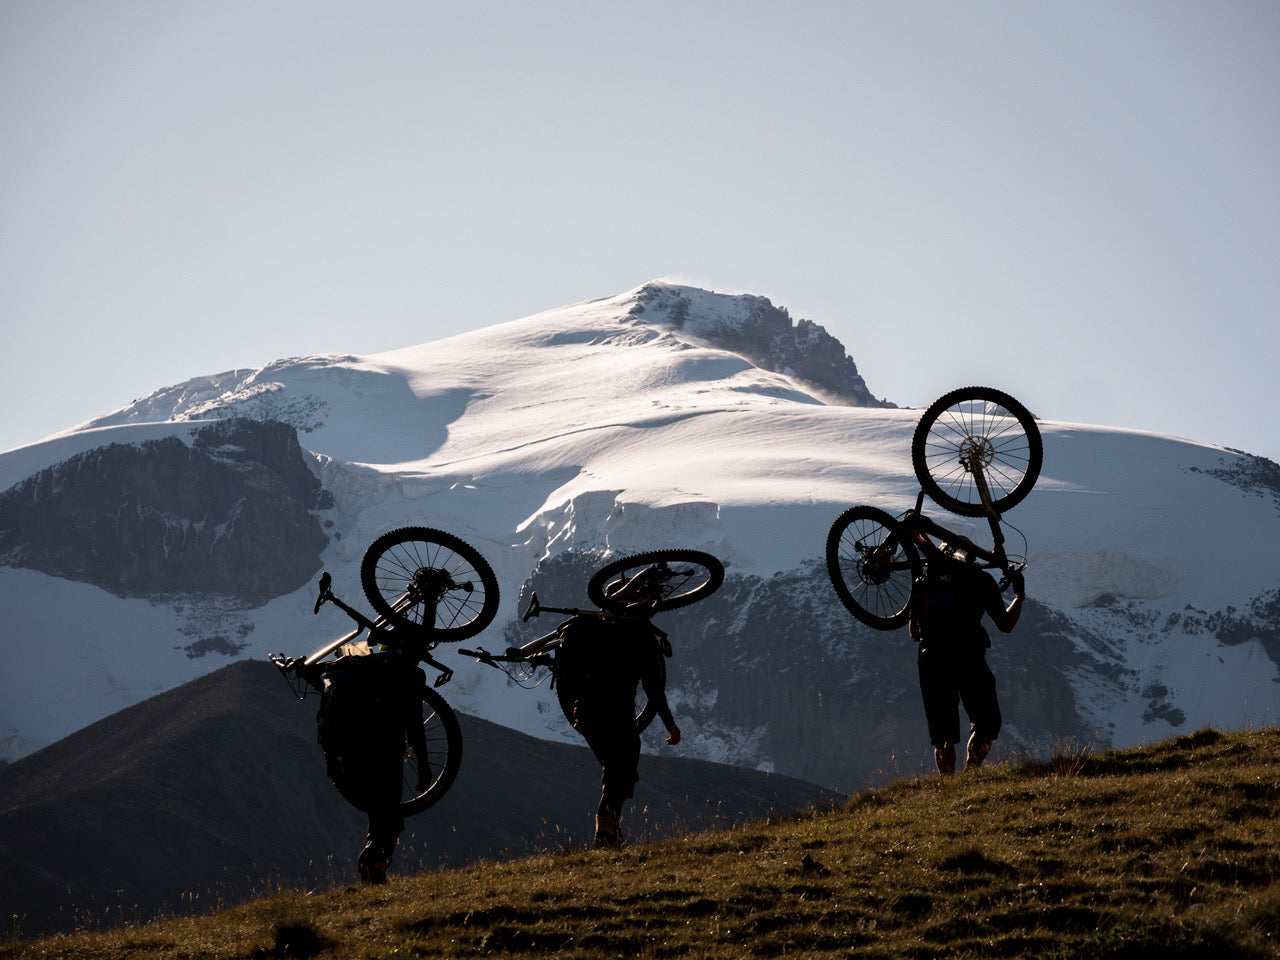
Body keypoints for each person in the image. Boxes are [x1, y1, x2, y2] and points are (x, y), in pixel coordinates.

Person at [552, 606, 681, 848]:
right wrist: (670, 724)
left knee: (614, 770)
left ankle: (611, 834)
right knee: (620, 772)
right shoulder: (642, 639)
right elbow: (654, 691)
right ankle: (605, 837)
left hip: (587, 715)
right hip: (618, 715)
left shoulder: (595, 629)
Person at [317, 648, 429, 883]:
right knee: (388, 819)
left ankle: (373, 868)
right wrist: (423, 766)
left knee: (381, 816)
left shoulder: (360, 671)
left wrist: (332, 759)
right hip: (386, 753)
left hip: (349, 754)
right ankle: (374, 867)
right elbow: (415, 725)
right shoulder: (411, 675)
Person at [908, 549, 1025, 775]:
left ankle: (949, 788)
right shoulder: (980, 579)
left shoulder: (924, 580)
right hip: (968, 654)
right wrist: (1019, 595)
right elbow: (1006, 624)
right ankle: (971, 774)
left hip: (931, 658)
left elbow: (914, 631)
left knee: (943, 734)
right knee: (986, 722)